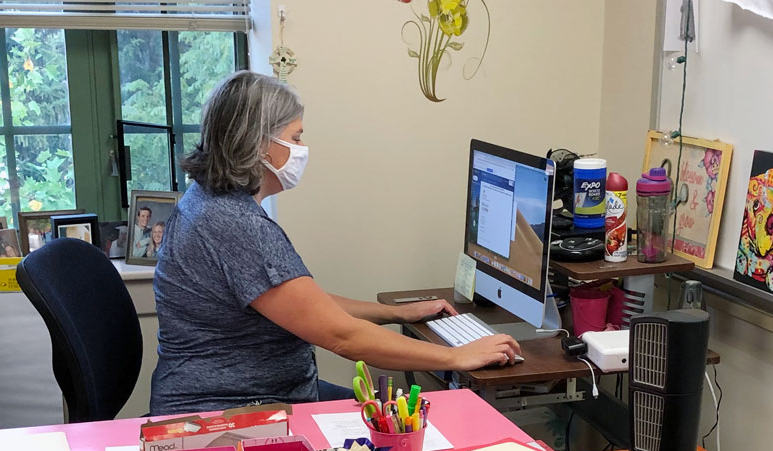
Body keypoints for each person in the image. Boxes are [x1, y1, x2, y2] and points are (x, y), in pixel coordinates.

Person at [150, 71, 519, 416]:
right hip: (234, 411)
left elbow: (297, 303)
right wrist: (457, 356)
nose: (302, 148)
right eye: (295, 138)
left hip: (259, 393)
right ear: (260, 144)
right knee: (420, 419)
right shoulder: (236, 225)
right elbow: (341, 337)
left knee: (396, 412)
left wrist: (396, 313)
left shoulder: (208, 200)